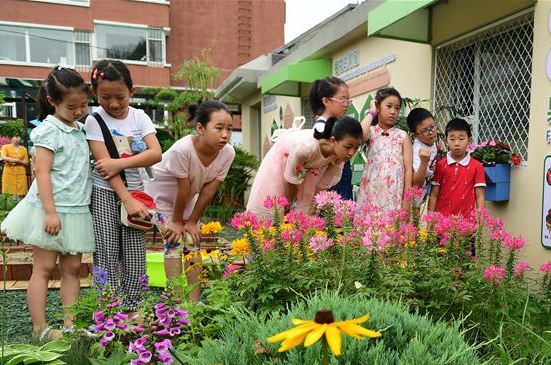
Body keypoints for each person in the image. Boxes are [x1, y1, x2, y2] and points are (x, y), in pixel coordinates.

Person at [0, 67, 93, 339]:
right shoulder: (48, 130)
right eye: (71, 107)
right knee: (42, 268)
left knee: (72, 269)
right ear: (52, 101)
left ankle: (69, 326)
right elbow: (41, 171)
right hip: (49, 209)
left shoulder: (81, 129)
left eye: (83, 105)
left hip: (75, 208)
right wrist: (50, 213)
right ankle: (39, 329)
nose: (78, 111)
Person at [84, 59, 162, 308]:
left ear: (132, 91)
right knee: (106, 252)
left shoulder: (140, 117)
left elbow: (155, 153)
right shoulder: (94, 121)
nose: (114, 104)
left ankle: (135, 306)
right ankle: (107, 308)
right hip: (106, 193)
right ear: (94, 93)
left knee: (135, 253)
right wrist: (125, 199)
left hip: (137, 195)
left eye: (120, 96)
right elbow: (102, 166)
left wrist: (119, 164)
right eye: (105, 97)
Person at [143, 101, 235, 301]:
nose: (225, 135)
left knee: (193, 243)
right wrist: (176, 222)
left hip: (187, 198)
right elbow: (182, 188)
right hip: (160, 198)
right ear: (200, 128)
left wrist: (193, 221)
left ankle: (194, 303)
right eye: (219, 128)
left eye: (229, 129)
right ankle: (175, 303)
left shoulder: (228, 153)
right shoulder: (182, 149)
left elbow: (209, 190)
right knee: (174, 243)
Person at [246, 116, 363, 219]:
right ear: (333, 141)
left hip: (306, 173)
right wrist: (290, 203)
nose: (351, 153)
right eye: (348, 147)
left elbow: (322, 185)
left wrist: (311, 210)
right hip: (284, 166)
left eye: (356, 148)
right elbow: (292, 179)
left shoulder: (339, 155)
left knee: (302, 216)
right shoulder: (305, 149)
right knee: (275, 210)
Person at [357, 87, 412, 212]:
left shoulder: (402, 136)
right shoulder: (371, 132)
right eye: (389, 106)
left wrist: (407, 200)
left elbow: (408, 169)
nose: (393, 111)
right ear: (378, 107)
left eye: (397, 108)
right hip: (371, 193)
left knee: (392, 229)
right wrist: (371, 111)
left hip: (394, 194)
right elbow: (359, 136)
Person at [428, 118, 485, 219]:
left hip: (467, 226)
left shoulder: (477, 166)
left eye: (461, 139)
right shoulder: (440, 165)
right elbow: (434, 195)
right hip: (442, 224)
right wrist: (430, 221)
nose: (457, 143)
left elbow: (480, 197)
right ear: (446, 141)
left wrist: (479, 225)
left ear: (469, 141)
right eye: (452, 139)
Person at [309, 76, 354, 200]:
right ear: (326, 101)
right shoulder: (321, 126)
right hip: (329, 188)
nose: (346, 105)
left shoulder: (336, 125)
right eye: (342, 100)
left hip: (341, 183)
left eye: (348, 100)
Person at [407, 107, 438, 208]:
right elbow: (416, 184)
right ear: (415, 136)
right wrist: (424, 162)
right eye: (425, 131)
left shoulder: (429, 142)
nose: (431, 132)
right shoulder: (417, 150)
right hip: (413, 198)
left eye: (432, 126)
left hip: (425, 193)